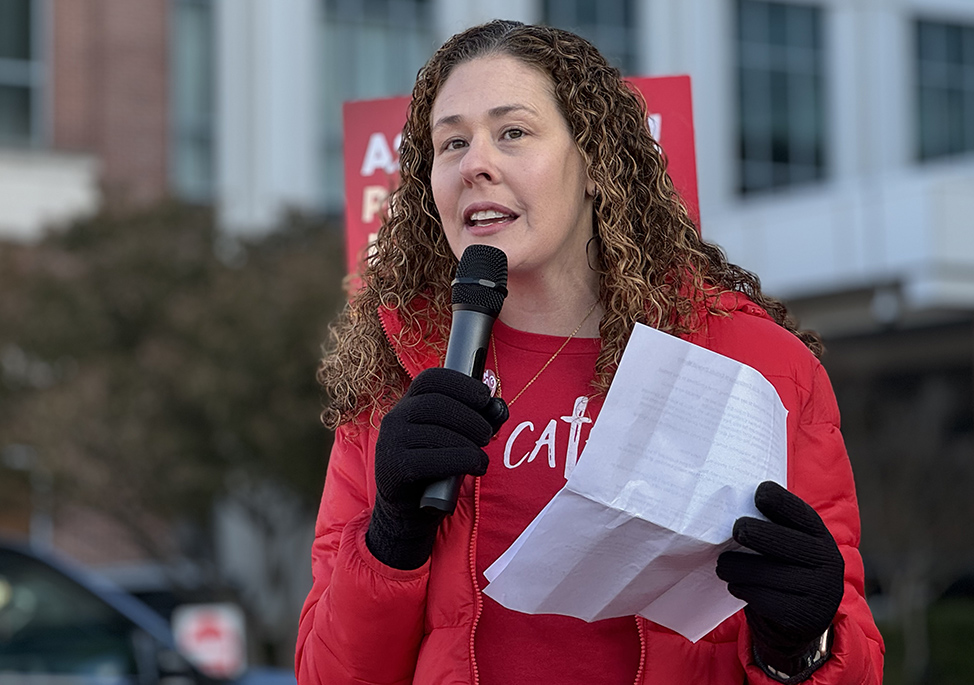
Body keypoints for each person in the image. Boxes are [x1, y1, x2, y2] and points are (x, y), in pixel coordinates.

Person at [296, 19, 884, 685]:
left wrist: (801, 642)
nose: (475, 163)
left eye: (512, 131)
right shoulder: (395, 375)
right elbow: (327, 674)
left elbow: (852, 662)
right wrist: (389, 540)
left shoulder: (755, 364)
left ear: (593, 159)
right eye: (451, 141)